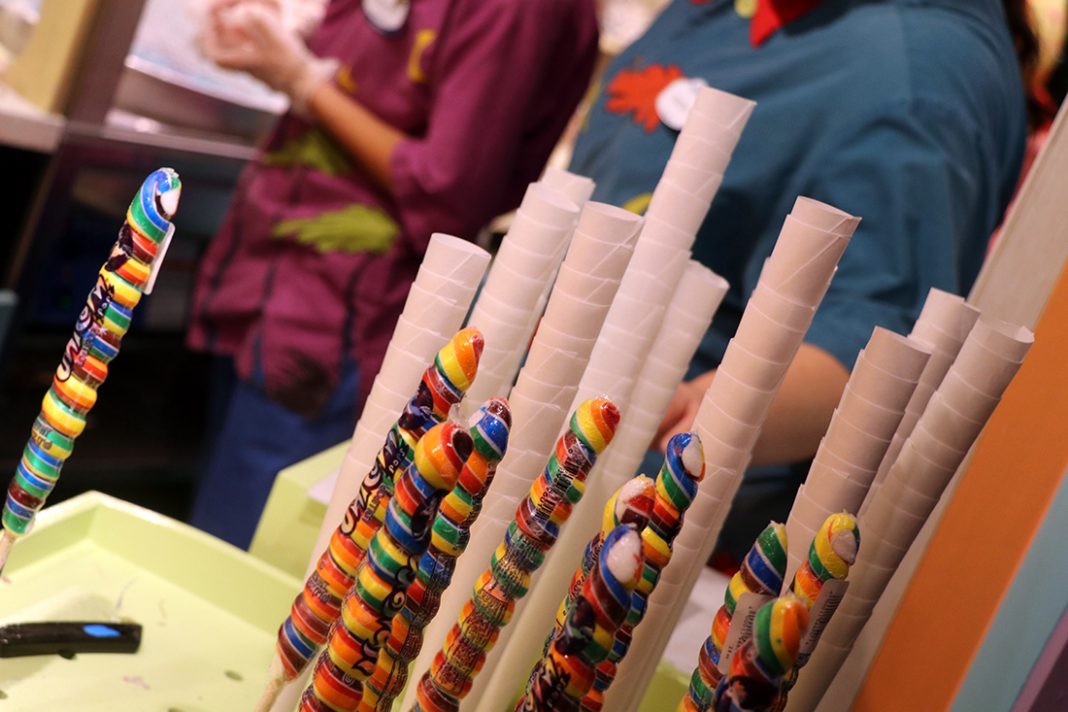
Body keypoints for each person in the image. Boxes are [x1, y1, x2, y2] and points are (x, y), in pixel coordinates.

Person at [570, 0, 1031, 562]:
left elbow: (876, 350)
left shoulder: (917, 70)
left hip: (644, 537)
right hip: (555, 445)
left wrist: (683, 410)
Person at [186, 0, 599, 547]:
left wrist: (301, 81)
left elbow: (448, 189)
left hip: (343, 321)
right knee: (208, 522)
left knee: (245, 550)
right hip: (272, 280)